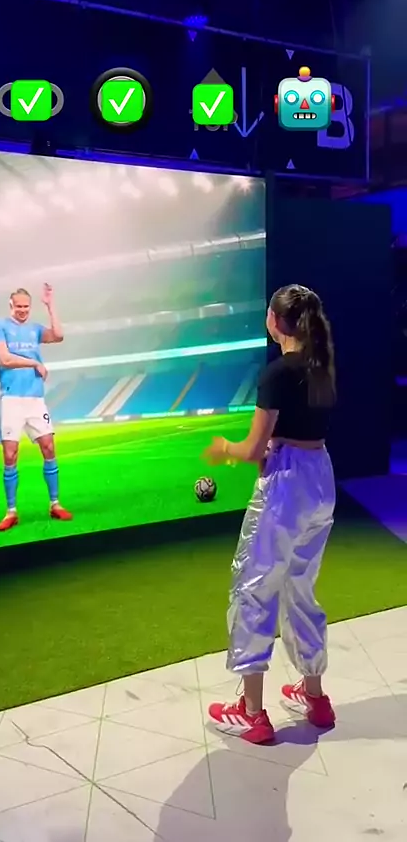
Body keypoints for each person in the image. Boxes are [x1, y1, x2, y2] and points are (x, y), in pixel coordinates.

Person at [204, 284, 337, 744]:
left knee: (255, 587)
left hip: (285, 486)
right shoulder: (323, 364)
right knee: (301, 587)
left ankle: (252, 712)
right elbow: (301, 431)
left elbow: (252, 448)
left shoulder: (277, 373)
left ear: (276, 322)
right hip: (321, 477)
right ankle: (315, 697)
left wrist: (224, 449)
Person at [0, 284, 73, 532]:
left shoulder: (35, 329)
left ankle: (55, 504)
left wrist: (50, 305)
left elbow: (58, 335)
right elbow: (5, 359)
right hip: (12, 399)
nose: (23, 310)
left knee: (49, 447)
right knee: (10, 455)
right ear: (11, 305)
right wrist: (34, 363)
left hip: (35, 398)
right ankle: (11, 511)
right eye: (19, 306)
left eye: (26, 307)